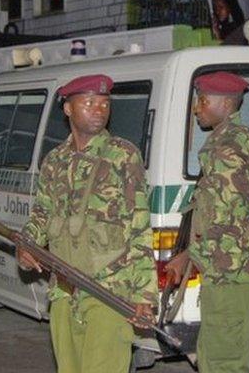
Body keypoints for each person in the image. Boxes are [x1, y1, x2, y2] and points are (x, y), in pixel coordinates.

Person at [17, 74, 157, 373]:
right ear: (68, 109)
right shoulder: (54, 161)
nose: (99, 109)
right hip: (64, 291)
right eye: (89, 102)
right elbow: (42, 214)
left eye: (105, 103)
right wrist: (25, 244)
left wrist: (145, 296)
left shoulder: (123, 155)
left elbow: (140, 227)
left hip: (109, 290)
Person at [165, 71, 249, 373]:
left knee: (223, 361)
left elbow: (223, 217)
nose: (196, 107)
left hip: (232, 270)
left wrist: (188, 255)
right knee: (221, 353)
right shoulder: (246, 141)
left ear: (227, 103)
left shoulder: (225, 149)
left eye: (203, 101)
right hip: (242, 267)